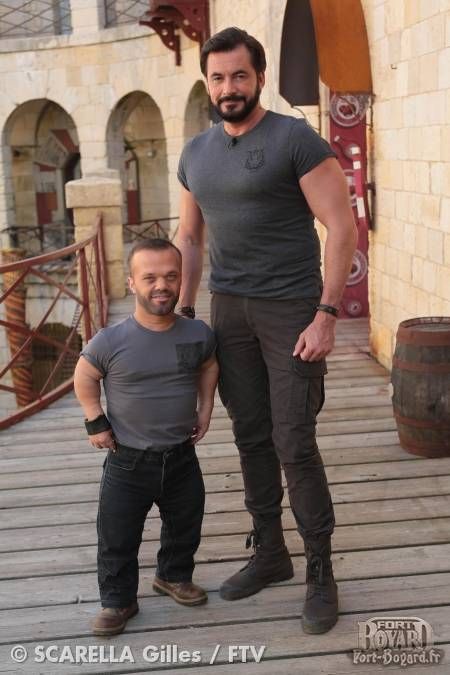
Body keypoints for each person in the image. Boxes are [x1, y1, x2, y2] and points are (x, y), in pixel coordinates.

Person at [175, 27, 357, 634]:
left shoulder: (295, 139)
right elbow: (189, 237)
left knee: (293, 440)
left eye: (239, 75)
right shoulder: (195, 153)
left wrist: (327, 314)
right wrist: (183, 313)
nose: (228, 87)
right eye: (218, 77)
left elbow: (341, 227)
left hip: (292, 310)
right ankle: (271, 553)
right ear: (207, 83)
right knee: (251, 436)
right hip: (229, 310)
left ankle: (320, 571)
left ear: (259, 77)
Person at [73, 238, 218, 636]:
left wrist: (206, 407)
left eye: (171, 276)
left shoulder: (197, 333)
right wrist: (95, 421)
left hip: (181, 457)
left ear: (181, 280)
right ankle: (118, 600)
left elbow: (209, 364)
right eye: (150, 277)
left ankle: (173, 576)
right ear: (132, 282)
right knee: (117, 535)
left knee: (186, 523)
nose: (161, 286)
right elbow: (84, 376)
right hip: (128, 460)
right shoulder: (111, 340)